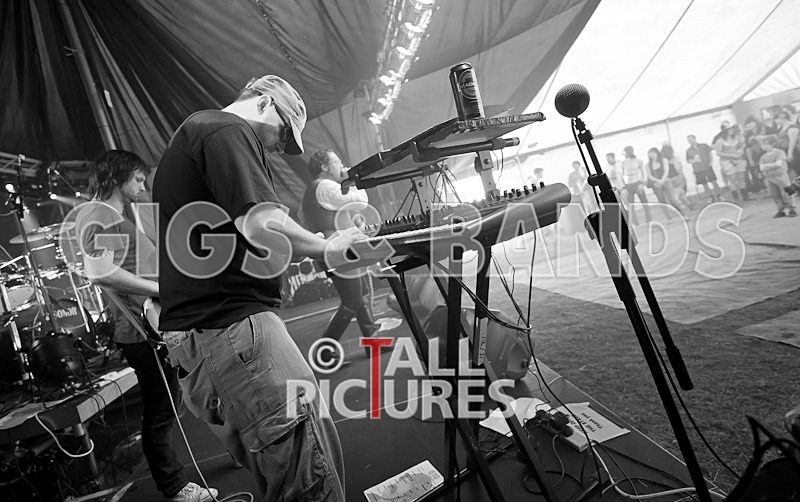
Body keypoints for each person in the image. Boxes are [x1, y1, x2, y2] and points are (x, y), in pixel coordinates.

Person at [153, 75, 356, 501]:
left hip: (215, 333)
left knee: (284, 471)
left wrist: (296, 249)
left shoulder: (200, 135)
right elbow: (261, 223)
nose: (281, 147)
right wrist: (325, 246)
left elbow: (247, 240)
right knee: (308, 474)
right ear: (264, 103)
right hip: (232, 330)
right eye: (284, 133)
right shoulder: (226, 128)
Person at [75, 150, 218, 502]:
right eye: (137, 178)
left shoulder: (113, 214)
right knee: (162, 410)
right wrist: (160, 288)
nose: (142, 185)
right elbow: (102, 271)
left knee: (173, 403)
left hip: (152, 322)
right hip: (142, 329)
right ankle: (174, 487)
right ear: (119, 176)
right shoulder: (101, 214)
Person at [301, 149, 376, 363]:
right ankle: (324, 352)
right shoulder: (324, 186)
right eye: (337, 161)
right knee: (352, 300)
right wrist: (352, 180)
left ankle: (373, 343)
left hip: (339, 250)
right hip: (337, 251)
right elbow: (360, 202)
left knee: (359, 294)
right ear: (324, 166)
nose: (342, 165)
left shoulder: (318, 189)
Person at [759, 135, 796, 218]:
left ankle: (791, 208)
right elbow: (761, 168)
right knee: (775, 194)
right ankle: (780, 209)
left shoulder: (780, 152)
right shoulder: (763, 157)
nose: (763, 146)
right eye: (762, 145)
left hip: (781, 176)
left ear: (772, 144)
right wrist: (773, 165)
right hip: (769, 178)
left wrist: (767, 166)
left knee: (786, 192)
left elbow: (778, 164)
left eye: (765, 144)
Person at [713, 124, 748, 202]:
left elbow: (741, 146)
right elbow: (718, 153)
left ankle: (745, 196)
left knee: (741, 177)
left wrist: (740, 152)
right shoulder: (720, 140)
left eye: (731, 129)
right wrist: (731, 155)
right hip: (727, 161)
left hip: (739, 159)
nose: (731, 131)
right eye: (729, 130)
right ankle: (736, 198)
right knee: (732, 179)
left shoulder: (736, 138)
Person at [645, 147, 682, 220]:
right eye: (650, 153)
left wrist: (662, 180)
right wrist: (657, 180)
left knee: (672, 199)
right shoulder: (648, 165)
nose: (652, 155)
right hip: (656, 184)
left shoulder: (664, 160)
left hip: (666, 182)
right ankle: (669, 217)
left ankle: (681, 213)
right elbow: (649, 175)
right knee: (662, 201)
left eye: (653, 152)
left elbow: (666, 171)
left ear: (657, 153)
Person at [620, 146, 652, 225]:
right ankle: (635, 223)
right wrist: (624, 186)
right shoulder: (623, 163)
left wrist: (642, 183)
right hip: (628, 185)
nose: (625, 154)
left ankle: (649, 220)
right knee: (631, 205)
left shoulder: (638, 161)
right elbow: (622, 175)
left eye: (626, 152)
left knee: (644, 203)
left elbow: (643, 173)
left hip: (637, 183)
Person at [686, 134, 721, 203]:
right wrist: (692, 161)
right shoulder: (688, 150)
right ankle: (710, 197)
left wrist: (711, 162)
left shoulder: (703, 145)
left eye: (691, 139)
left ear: (695, 139)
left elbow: (710, 153)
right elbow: (688, 160)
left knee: (713, 181)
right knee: (704, 183)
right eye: (688, 140)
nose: (690, 141)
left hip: (707, 166)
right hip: (698, 169)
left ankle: (719, 195)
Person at [661, 144, 692, 212]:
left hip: (671, 179)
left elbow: (665, 171)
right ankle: (688, 204)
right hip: (678, 177)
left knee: (676, 196)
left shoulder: (664, 160)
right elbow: (680, 168)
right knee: (681, 193)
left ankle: (684, 208)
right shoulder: (676, 158)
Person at [774, 109, 800, 178]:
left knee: (797, 169)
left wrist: (790, 153)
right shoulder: (781, 128)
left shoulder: (792, 127)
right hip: (784, 151)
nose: (775, 121)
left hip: (794, 152)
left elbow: (792, 141)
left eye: (776, 119)